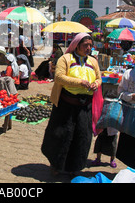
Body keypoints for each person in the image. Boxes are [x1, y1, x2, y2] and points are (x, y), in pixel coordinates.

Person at [41, 33, 101, 176]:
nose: (88, 48)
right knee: (61, 135)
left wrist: (95, 84)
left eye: (90, 45)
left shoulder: (93, 61)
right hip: (66, 105)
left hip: (85, 106)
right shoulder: (65, 59)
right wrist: (79, 82)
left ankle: (75, 167)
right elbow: (59, 77)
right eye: (85, 45)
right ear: (76, 45)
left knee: (82, 137)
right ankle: (55, 164)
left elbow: (99, 78)